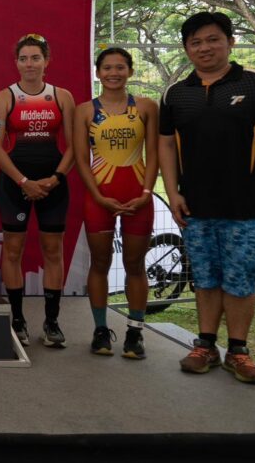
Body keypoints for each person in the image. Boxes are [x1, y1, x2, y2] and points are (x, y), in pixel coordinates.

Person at [159, 12, 255, 385]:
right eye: (196, 42)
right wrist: (172, 192)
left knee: (241, 280)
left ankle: (238, 351)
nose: (204, 48)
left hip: (247, 207)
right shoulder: (176, 93)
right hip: (196, 207)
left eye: (212, 39)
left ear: (230, 42)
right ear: (186, 48)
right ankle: (205, 346)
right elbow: (165, 145)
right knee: (205, 279)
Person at [0, 34, 75, 348]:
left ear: (46, 61)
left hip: (53, 184)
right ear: (16, 62)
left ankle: (52, 323)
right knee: (13, 251)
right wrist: (24, 181)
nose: (29, 64)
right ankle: (18, 320)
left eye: (35, 58)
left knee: (53, 251)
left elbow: (74, 146)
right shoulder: (3, 98)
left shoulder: (62, 96)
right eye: (23, 58)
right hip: (15, 185)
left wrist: (55, 178)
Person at [73, 48, 158, 358]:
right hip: (99, 198)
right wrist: (98, 196)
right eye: (107, 68)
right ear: (98, 73)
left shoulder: (147, 107)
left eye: (120, 67)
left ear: (130, 71)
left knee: (135, 265)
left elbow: (154, 154)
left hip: (138, 197)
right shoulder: (84, 110)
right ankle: (100, 331)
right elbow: (81, 159)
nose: (113, 73)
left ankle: (135, 333)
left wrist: (146, 193)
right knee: (100, 263)